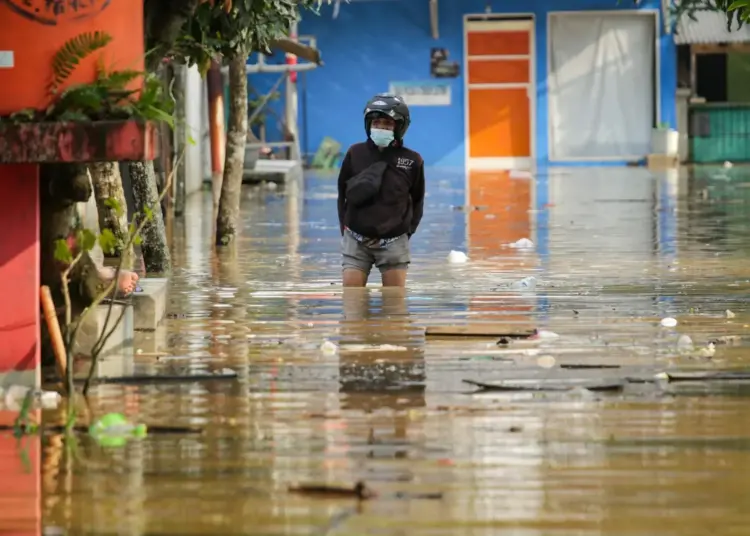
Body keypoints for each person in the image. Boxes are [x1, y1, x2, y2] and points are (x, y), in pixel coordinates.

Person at [337, 94, 426, 288]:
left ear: (399, 127)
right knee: (352, 306)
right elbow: (342, 194)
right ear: (368, 125)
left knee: (394, 309)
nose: (381, 128)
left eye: (387, 124)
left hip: (394, 242)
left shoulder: (413, 161)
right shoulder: (355, 153)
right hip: (355, 240)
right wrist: (344, 229)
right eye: (376, 123)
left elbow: (418, 200)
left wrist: (406, 233)